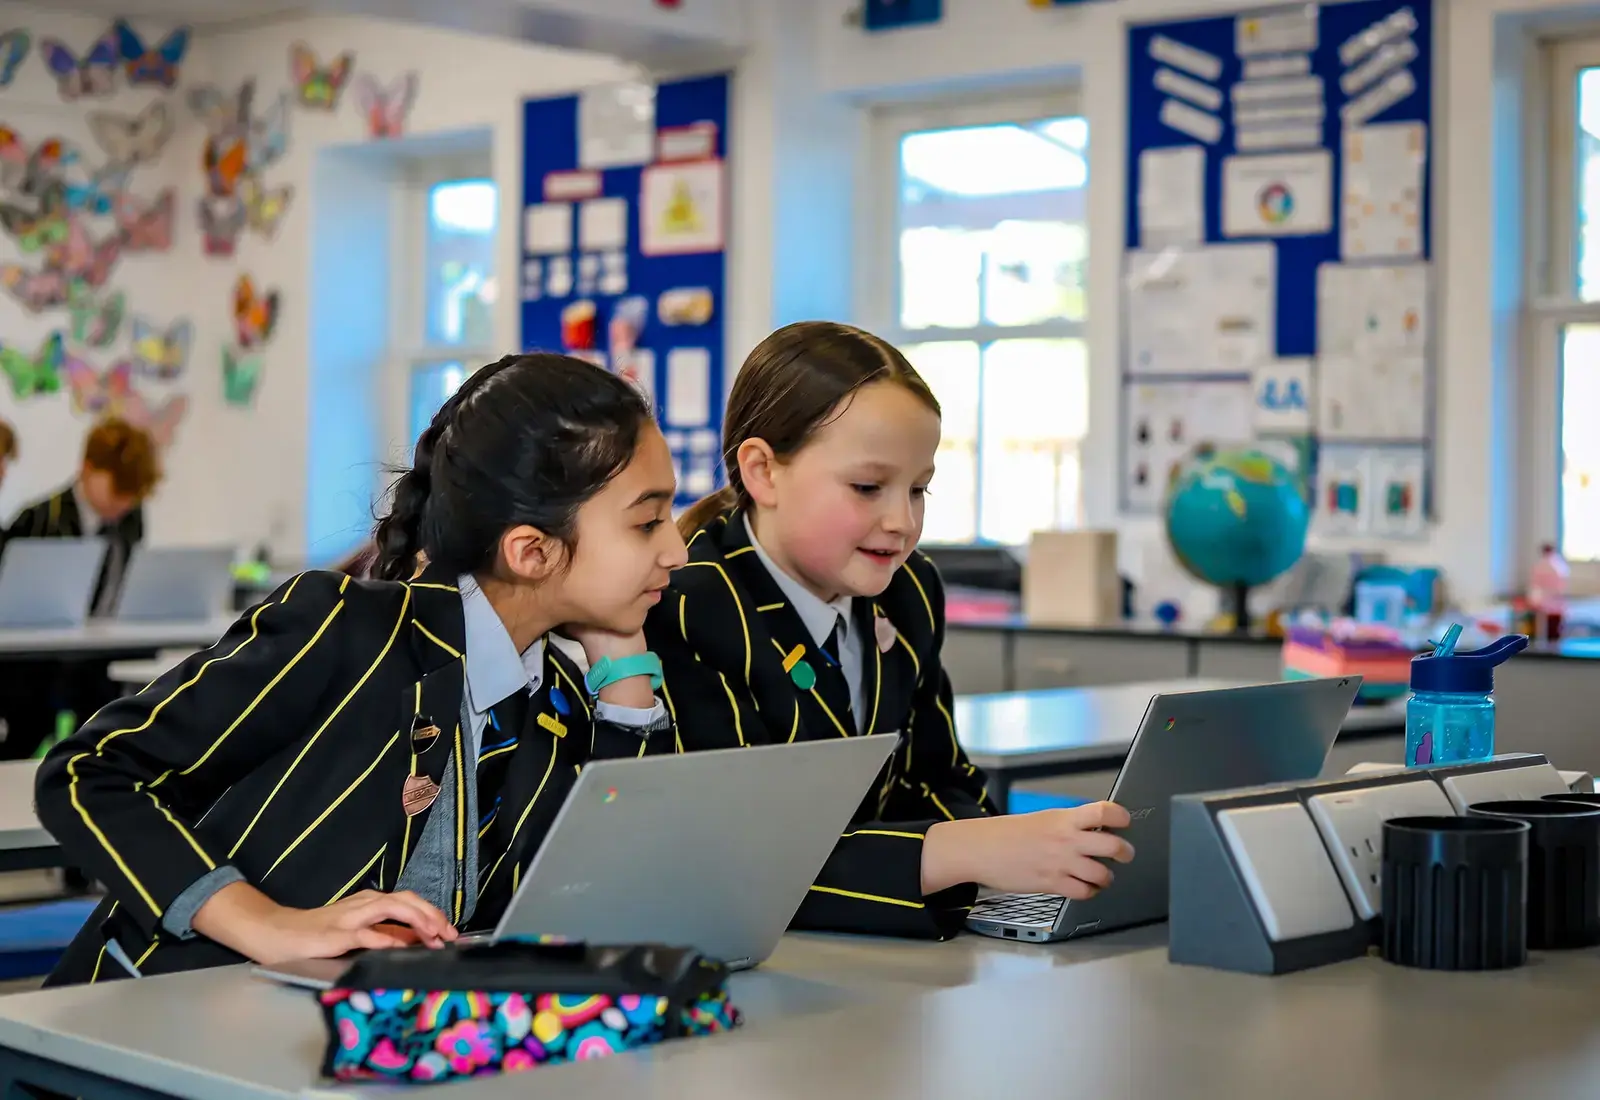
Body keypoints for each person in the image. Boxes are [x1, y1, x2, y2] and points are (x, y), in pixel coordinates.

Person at [35, 353, 687, 985]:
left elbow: (611, 903)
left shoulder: (559, 694)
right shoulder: (347, 630)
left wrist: (625, 681)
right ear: (531, 551)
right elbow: (88, 773)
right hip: (165, 1022)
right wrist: (266, 923)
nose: (677, 549)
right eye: (649, 522)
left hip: (363, 1048)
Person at [647, 321, 1135, 940]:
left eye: (919, 489)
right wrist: (961, 853)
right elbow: (733, 861)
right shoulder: (690, 604)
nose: (902, 522)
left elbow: (941, 778)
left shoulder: (909, 593)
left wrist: (1006, 847)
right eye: (867, 487)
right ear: (763, 472)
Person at [4, 416, 161, 616]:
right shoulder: (37, 520)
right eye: (118, 490)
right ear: (87, 469)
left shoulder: (131, 517)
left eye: (133, 495)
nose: (125, 503)